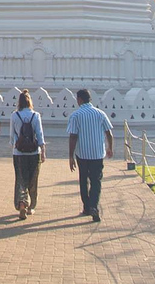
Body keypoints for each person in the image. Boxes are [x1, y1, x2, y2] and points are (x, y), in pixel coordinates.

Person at [68, 88, 114, 223]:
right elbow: (109, 133)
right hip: (97, 153)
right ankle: (94, 205)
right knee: (96, 181)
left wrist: (70, 156)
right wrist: (110, 147)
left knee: (83, 180)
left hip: (82, 153)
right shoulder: (100, 114)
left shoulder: (76, 115)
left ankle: (87, 207)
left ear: (80, 100)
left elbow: (73, 136)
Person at [10, 89, 46, 220]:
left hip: (19, 153)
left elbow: (12, 137)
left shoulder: (14, 115)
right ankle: (31, 207)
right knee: (33, 179)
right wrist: (43, 152)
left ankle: (21, 204)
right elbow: (40, 135)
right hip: (34, 152)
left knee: (21, 179)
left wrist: (16, 147)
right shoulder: (36, 115)